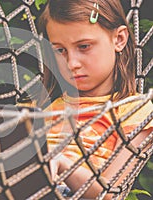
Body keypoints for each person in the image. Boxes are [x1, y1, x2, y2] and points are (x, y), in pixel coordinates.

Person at [37, 0, 153, 199]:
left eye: (83, 46)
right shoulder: (44, 108)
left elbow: (110, 193)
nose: (72, 63)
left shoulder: (135, 110)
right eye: (60, 50)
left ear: (119, 39)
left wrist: (63, 163)